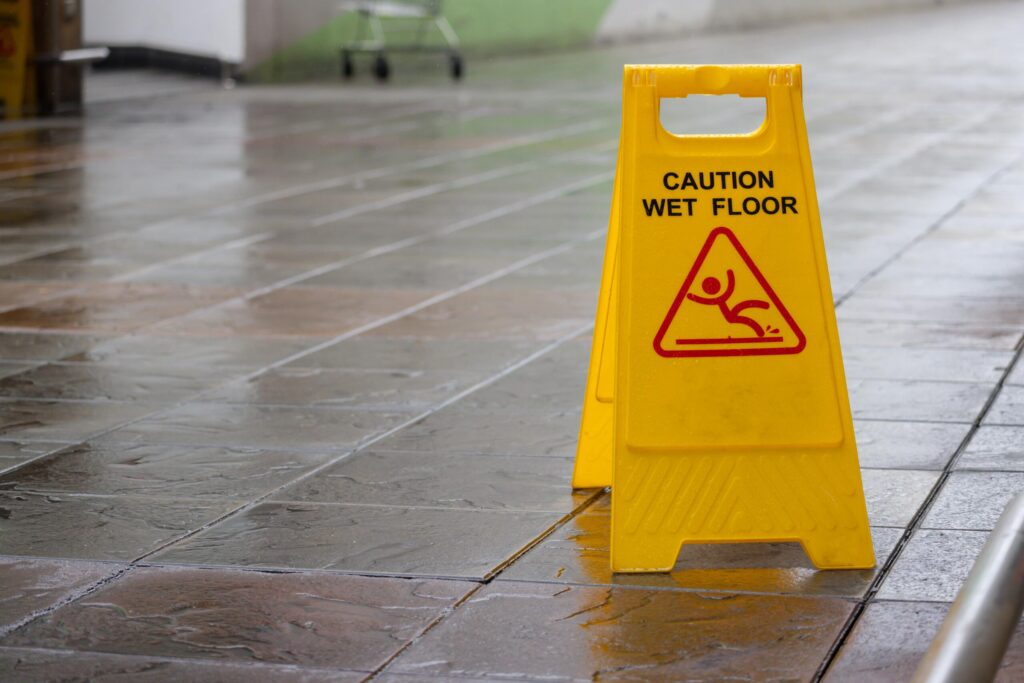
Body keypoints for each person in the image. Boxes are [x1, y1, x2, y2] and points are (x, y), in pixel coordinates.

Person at [686, 270, 769, 337]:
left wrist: (730, 276)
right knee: (739, 309)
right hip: (729, 314)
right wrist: (693, 297)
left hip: (729, 314)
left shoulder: (722, 297)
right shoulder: (720, 298)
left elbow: (729, 288)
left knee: (739, 308)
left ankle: (762, 308)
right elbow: (705, 300)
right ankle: (760, 327)